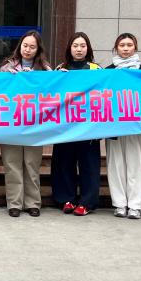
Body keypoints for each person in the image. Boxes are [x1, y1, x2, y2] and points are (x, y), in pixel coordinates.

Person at [0, 30, 50, 218]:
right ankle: (14, 203)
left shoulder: (45, 70)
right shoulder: (6, 68)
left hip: (34, 124)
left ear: (38, 49)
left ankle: (33, 202)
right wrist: (7, 78)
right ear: (20, 46)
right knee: (12, 164)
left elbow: (52, 92)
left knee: (31, 164)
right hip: (10, 124)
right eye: (25, 46)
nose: (27, 50)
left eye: (32, 47)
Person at [51, 32, 102, 215]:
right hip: (65, 126)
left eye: (82, 46)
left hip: (88, 127)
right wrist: (58, 78)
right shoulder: (60, 69)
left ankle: (87, 202)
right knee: (64, 163)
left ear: (88, 48)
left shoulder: (97, 69)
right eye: (75, 46)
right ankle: (67, 199)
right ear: (69, 48)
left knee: (89, 165)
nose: (79, 49)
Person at [105, 33, 141, 219]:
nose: (125, 48)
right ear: (116, 48)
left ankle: (135, 205)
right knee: (115, 165)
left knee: (136, 165)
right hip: (113, 125)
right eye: (122, 45)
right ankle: (120, 204)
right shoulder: (107, 72)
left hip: (136, 124)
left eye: (129, 45)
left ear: (135, 48)